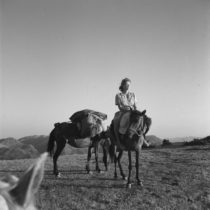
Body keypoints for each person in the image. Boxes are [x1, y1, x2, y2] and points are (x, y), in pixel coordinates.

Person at [113, 78, 149, 149]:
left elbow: (135, 105)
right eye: (126, 85)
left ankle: (143, 139)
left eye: (129, 85)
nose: (128, 86)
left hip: (133, 112)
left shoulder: (133, 94)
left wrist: (135, 111)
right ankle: (118, 142)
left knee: (144, 120)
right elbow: (120, 107)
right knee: (116, 122)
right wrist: (127, 109)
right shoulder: (118, 95)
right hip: (123, 112)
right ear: (122, 85)